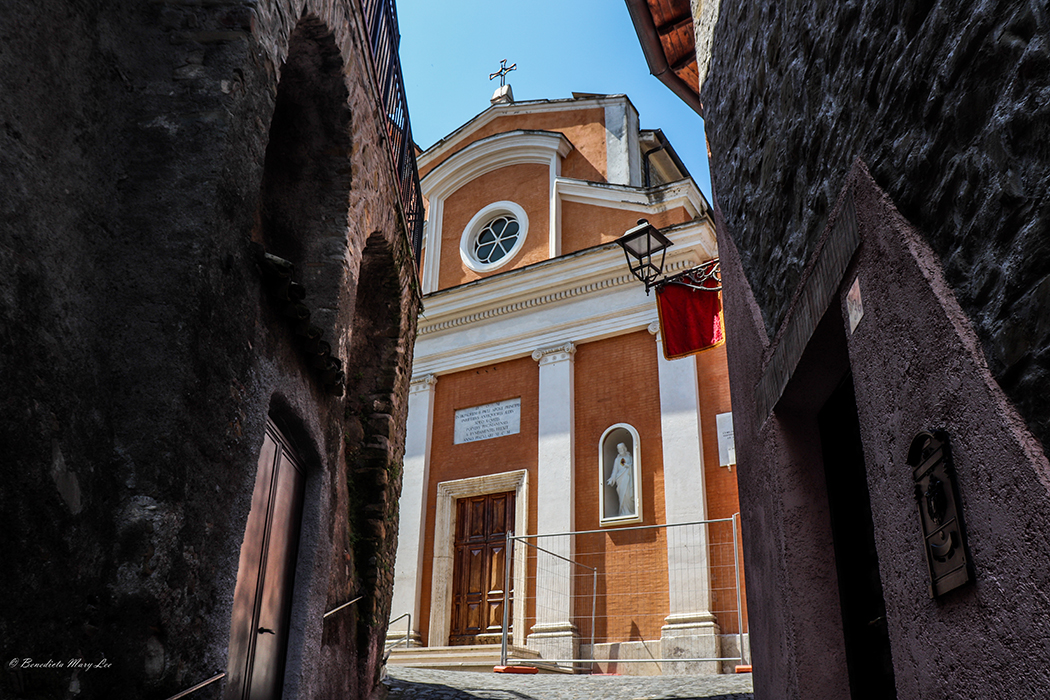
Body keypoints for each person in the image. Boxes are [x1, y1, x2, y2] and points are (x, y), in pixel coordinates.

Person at [607, 442, 635, 516]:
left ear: (624, 448)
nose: (620, 450)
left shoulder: (629, 457)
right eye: (619, 449)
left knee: (628, 496)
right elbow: (615, 470)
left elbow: (634, 467)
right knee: (622, 496)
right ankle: (623, 512)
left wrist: (629, 466)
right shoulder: (617, 459)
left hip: (628, 479)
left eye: (621, 449)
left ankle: (630, 511)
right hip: (620, 480)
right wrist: (612, 479)